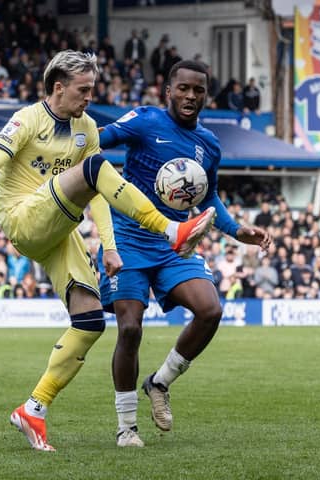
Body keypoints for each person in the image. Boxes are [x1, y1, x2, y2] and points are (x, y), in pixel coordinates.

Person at [0, 50, 216, 452]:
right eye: (83, 90)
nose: (89, 97)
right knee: (96, 169)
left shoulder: (87, 127)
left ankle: (34, 408)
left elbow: (97, 191)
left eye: (92, 89)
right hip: (23, 217)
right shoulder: (28, 120)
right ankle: (171, 230)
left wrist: (110, 247)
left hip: (59, 227)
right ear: (58, 87)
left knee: (90, 322)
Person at [98, 60, 272, 447]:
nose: (191, 96)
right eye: (184, 89)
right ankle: (127, 426)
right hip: (127, 239)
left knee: (210, 310)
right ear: (168, 91)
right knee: (130, 328)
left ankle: (159, 383)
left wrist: (238, 230)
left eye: (198, 90)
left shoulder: (209, 144)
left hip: (175, 242)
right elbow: (97, 140)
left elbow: (208, 197)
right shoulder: (144, 121)